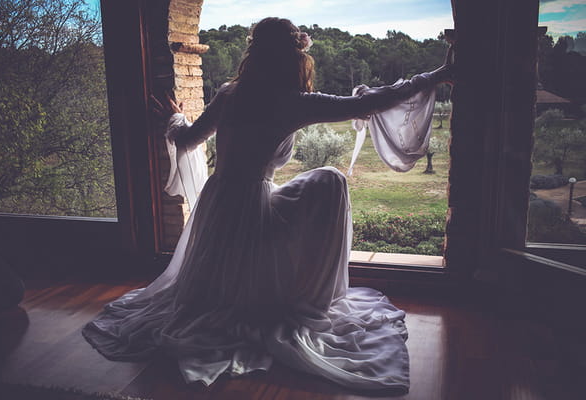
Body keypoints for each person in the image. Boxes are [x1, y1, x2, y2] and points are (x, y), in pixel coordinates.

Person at [83, 17, 454, 391]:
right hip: (252, 208)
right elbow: (375, 101)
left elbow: (190, 138)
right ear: (295, 57)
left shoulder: (230, 93)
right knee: (332, 179)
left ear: (253, 53)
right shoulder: (293, 103)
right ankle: (310, 290)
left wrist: (174, 118)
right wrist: (436, 76)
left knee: (321, 182)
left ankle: (263, 291)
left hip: (217, 205)